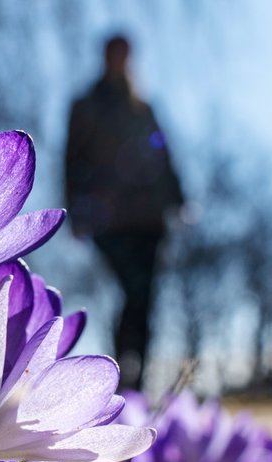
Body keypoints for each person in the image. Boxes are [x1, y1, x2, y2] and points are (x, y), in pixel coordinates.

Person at [65, 34, 184, 389]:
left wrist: (178, 197)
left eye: (126, 53)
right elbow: (72, 159)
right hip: (110, 219)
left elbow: (163, 154)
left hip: (149, 218)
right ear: (104, 56)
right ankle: (119, 376)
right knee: (131, 290)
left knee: (145, 299)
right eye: (114, 52)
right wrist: (75, 211)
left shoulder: (142, 106)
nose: (120, 58)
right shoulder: (86, 105)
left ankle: (138, 381)